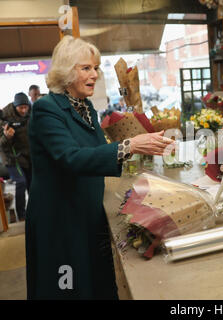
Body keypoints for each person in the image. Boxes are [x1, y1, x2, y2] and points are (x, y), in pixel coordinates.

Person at [25, 35, 173, 299]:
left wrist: (134, 157)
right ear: (66, 71)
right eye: (86, 68)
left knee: (96, 281)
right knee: (67, 286)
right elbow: (70, 158)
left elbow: (94, 154)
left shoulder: (86, 107)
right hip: (61, 220)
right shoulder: (47, 109)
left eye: (95, 68)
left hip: (87, 211)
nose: (94, 74)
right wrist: (129, 146)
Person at [0, 92, 32, 221]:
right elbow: (0, 144)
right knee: (21, 182)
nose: (23, 110)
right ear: (15, 106)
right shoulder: (5, 115)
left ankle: (34, 212)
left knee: (32, 184)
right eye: (20, 108)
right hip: (11, 156)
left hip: (28, 155)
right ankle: (22, 215)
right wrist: (7, 137)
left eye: (25, 107)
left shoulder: (31, 111)